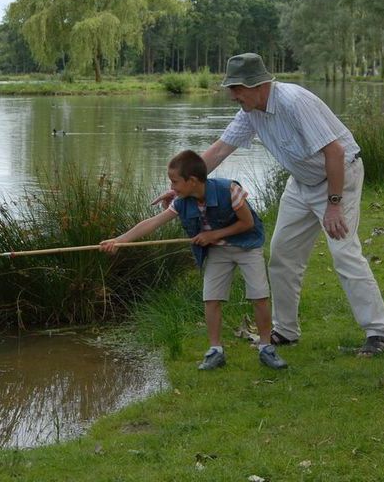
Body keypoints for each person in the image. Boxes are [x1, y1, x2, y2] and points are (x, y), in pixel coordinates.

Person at [155, 53, 384, 357]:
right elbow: (219, 151)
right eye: (231, 89)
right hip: (301, 182)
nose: (232, 95)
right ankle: (286, 330)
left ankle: (378, 332)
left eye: (237, 88)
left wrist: (334, 204)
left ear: (258, 85)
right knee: (282, 255)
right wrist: (180, 190)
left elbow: (334, 152)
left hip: (338, 177)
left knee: (344, 252)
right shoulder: (250, 112)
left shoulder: (294, 102)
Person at [100, 150, 287, 371]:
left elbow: (247, 223)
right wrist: (119, 241)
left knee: (259, 296)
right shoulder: (181, 201)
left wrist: (212, 235)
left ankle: (266, 348)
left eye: (174, 181)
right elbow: (153, 222)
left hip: (247, 246)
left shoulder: (230, 190)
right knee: (211, 298)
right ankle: (215, 351)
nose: (171, 187)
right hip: (218, 251)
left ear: (192, 181)